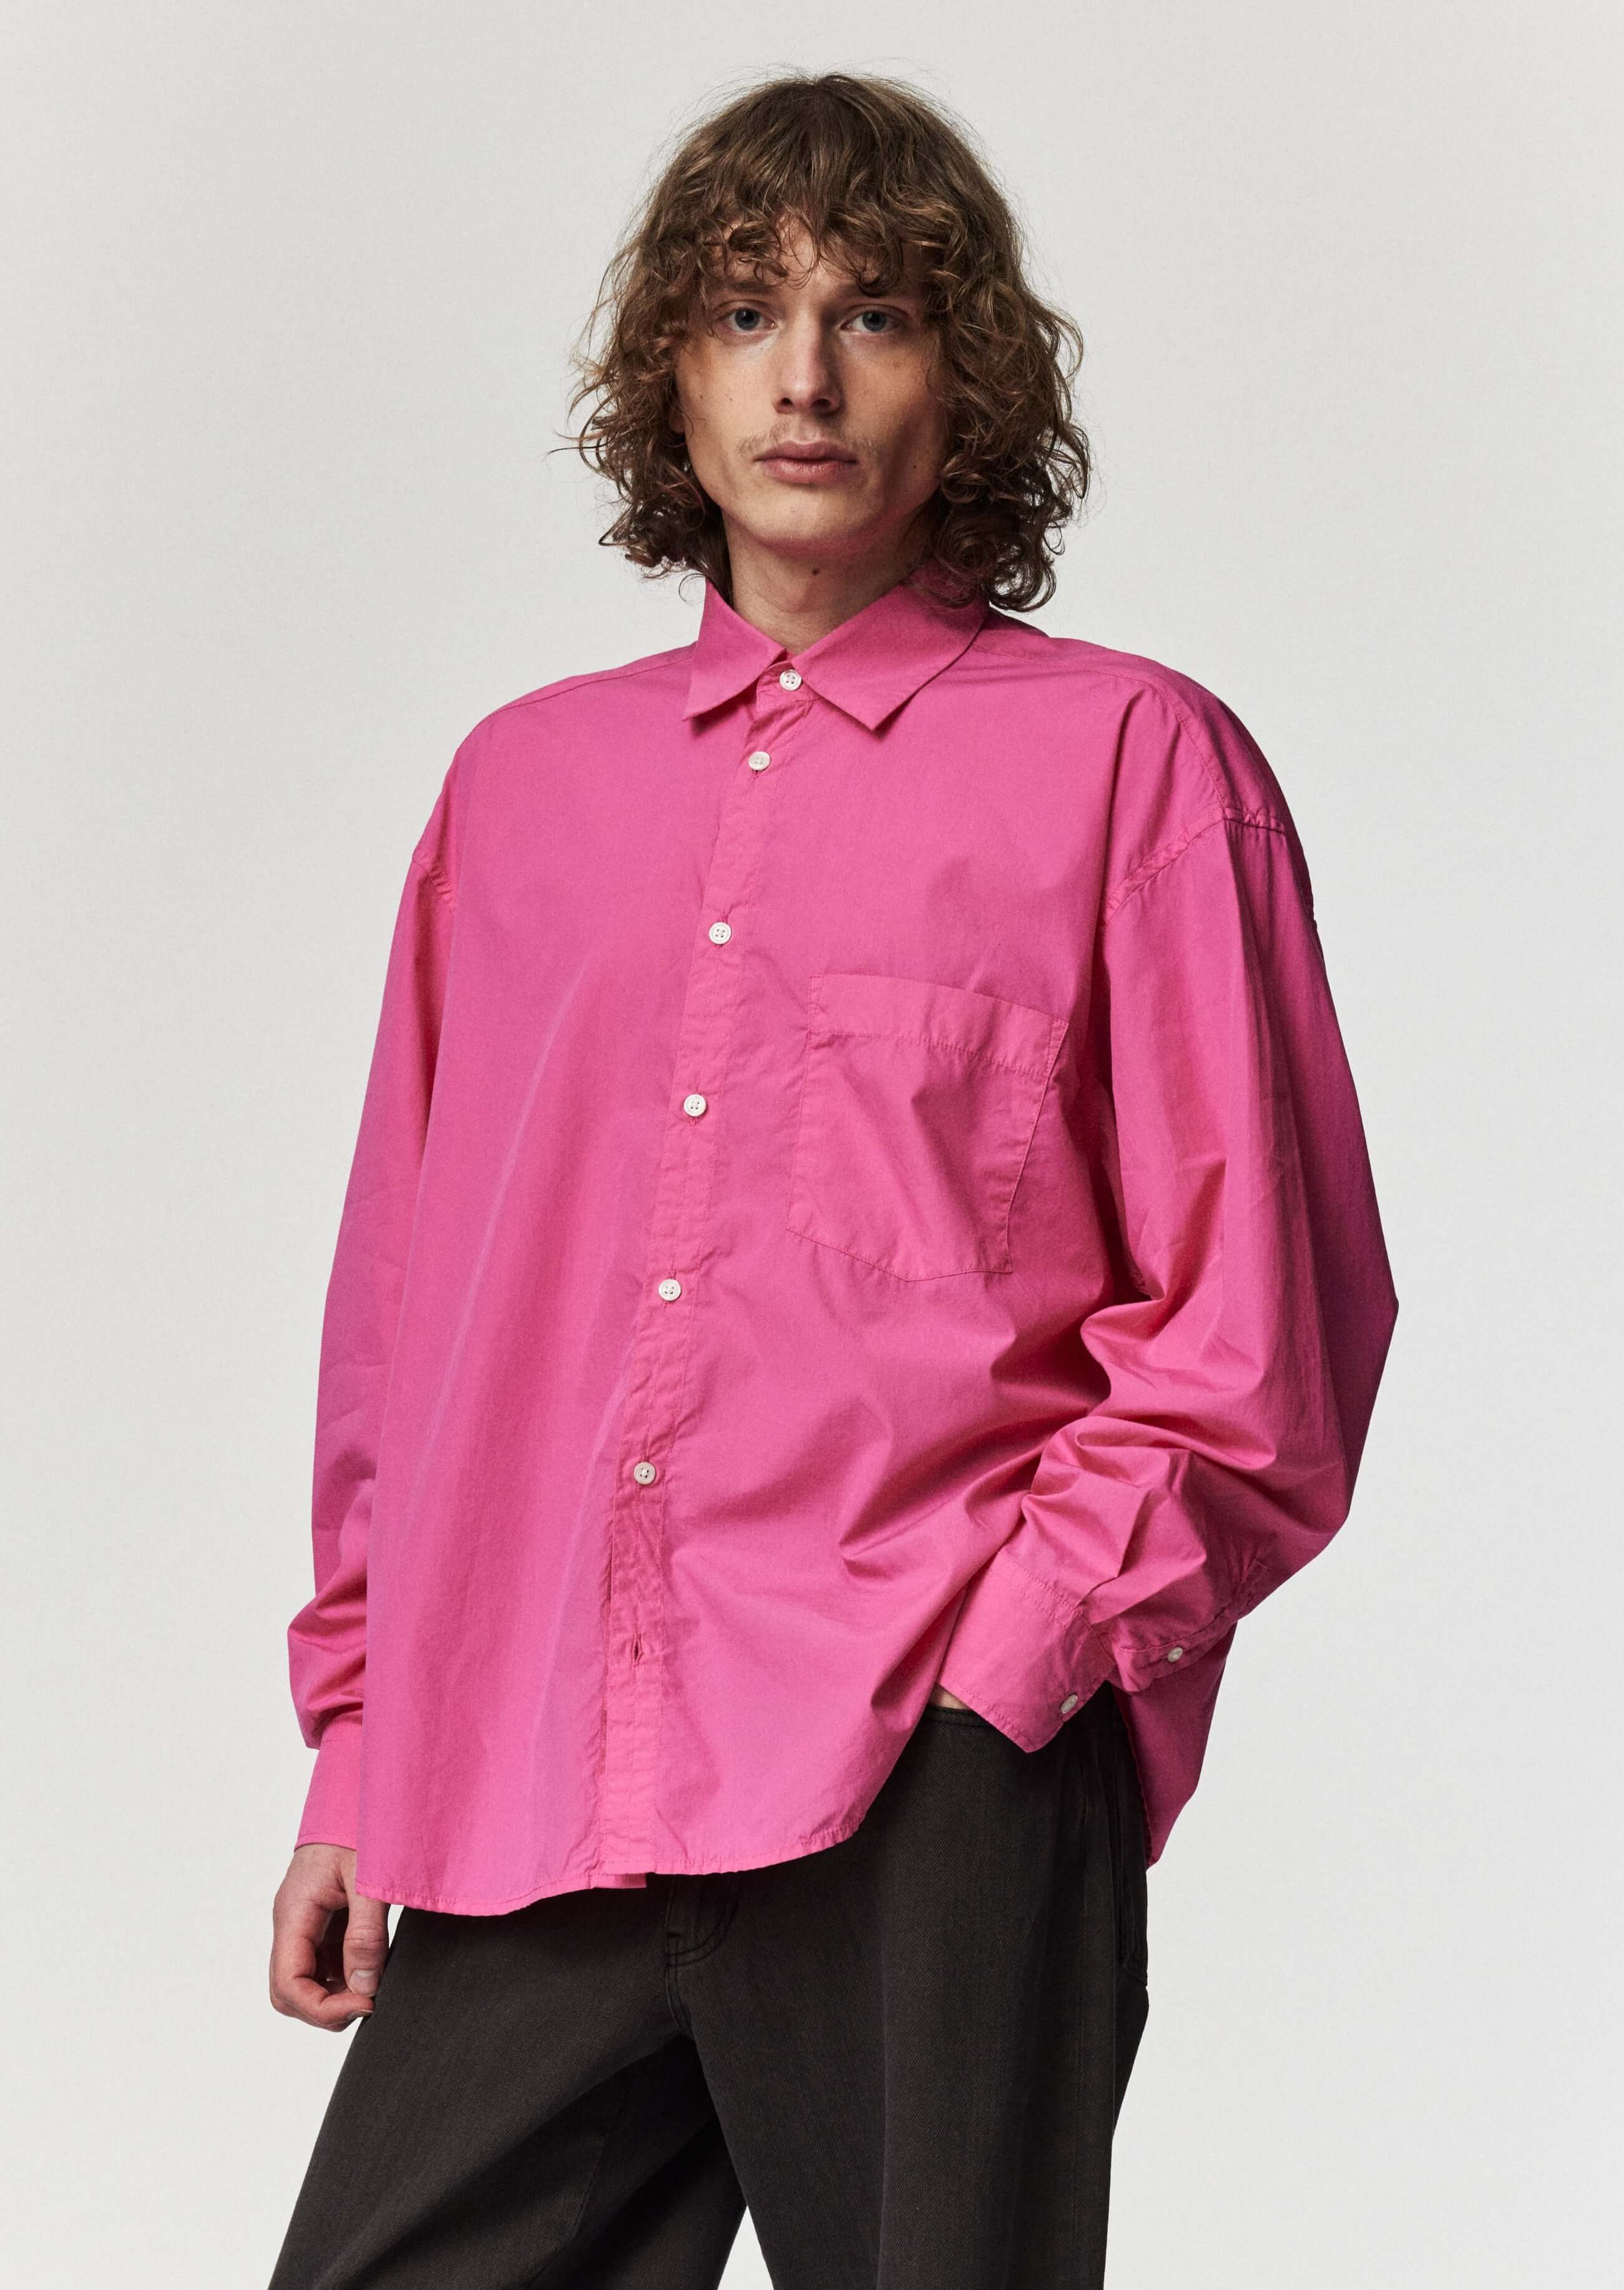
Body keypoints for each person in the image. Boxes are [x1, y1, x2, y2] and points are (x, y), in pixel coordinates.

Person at [265, 68, 1397, 2290]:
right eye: (741, 313)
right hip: (535, 1776)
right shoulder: (519, 791)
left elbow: (1263, 1325)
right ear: (666, 376)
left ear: (962, 379)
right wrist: (360, 1752)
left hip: (927, 1765)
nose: (801, 377)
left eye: (871, 315)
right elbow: (410, 1323)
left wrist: (1015, 1664)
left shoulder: (1133, 764)